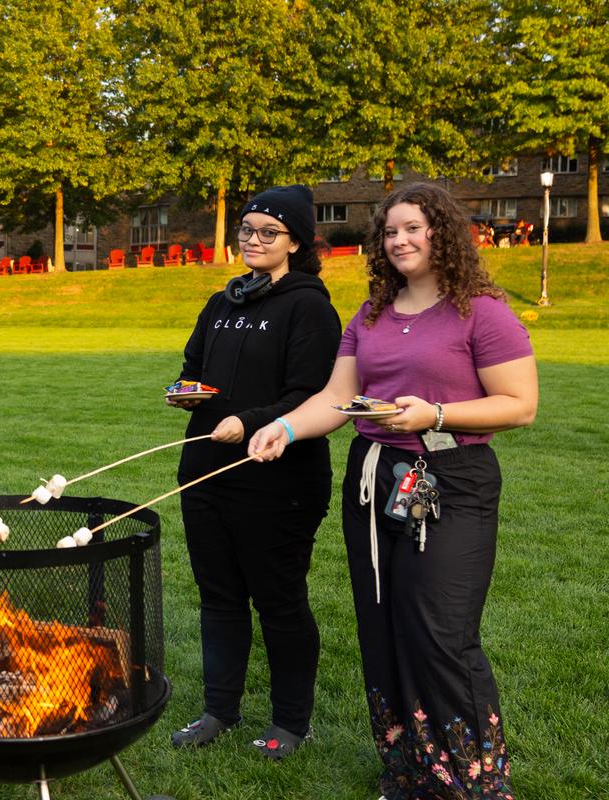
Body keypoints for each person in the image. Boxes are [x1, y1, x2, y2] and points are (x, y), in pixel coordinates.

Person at [249, 183, 536, 799]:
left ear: (443, 234)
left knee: (440, 631)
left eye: (414, 228)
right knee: (383, 626)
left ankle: (473, 782)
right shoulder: (371, 313)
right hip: (375, 479)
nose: (399, 240)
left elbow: (520, 405)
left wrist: (433, 414)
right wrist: (284, 427)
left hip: (451, 480)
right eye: (390, 231)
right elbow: (336, 399)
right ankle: (409, 771)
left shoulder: (481, 310)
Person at [168, 185, 340, 760]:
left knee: (279, 600)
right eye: (247, 229)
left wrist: (250, 420)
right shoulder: (221, 303)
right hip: (206, 471)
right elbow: (193, 367)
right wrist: (187, 393)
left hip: (278, 481)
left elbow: (312, 393)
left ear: (295, 241)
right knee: (218, 597)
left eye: (269, 231)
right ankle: (220, 709)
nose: (255, 240)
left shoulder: (309, 305)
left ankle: (292, 721)